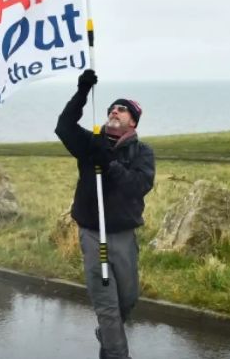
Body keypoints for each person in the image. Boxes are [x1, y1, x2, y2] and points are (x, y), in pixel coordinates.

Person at [55, 69, 155, 359]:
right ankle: (117, 353)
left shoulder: (143, 153)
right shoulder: (90, 143)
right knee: (107, 307)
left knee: (127, 300)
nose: (114, 110)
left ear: (133, 121)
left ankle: (107, 337)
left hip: (124, 236)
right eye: (112, 107)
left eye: (122, 109)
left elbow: (138, 186)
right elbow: (63, 126)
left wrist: (108, 163)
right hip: (92, 235)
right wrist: (82, 92)